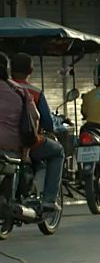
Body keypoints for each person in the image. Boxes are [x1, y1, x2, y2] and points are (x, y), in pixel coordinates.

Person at [0, 51, 64, 212]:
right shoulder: (25, 91)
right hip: (20, 143)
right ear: (30, 70)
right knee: (58, 151)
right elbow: (42, 120)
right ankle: (49, 199)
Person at [10, 53, 54, 133]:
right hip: (30, 140)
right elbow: (48, 122)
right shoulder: (37, 93)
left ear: (10, 70)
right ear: (31, 71)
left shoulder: (4, 89)